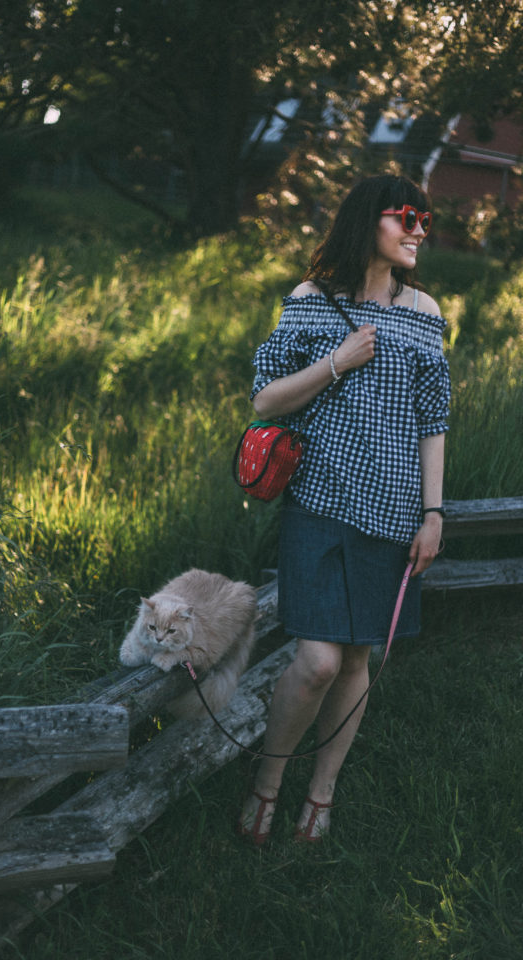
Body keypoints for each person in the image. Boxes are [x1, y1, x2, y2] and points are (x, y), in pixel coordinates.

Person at [238, 174, 451, 845]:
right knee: (318, 663)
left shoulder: (425, 312)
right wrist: (337, 360)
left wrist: (435, 515)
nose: (420, 229)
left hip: (395, 513)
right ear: (370, 220)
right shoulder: (312, 300)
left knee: (360, 661)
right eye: (407, 216)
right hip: (319, 503)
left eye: (425, 219)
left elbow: (432, 419)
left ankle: (320, 794)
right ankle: (269, 782)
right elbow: (265, 401)